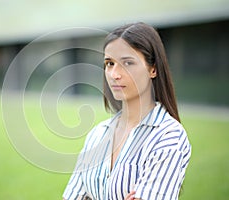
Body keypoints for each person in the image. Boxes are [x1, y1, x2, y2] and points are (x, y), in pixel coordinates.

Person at [63, 22, 191, 200]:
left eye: (128, 62)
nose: (114, 74)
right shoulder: (97, 135)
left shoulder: (169, 136)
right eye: (109, 63)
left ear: (152, 68)